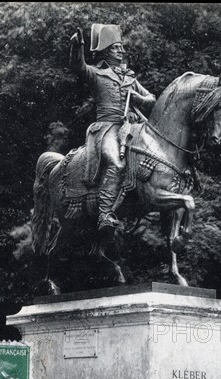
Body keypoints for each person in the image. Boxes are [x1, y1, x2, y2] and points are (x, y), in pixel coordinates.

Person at [69, 24, 156, 235]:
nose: (122, 51)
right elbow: (77, 66)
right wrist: (77, 46)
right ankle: (104, 214)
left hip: (130, 126)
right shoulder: (96, 73)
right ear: (107, 50)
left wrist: (139, 98)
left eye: (121, 47)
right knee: (117, 164)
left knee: (154, 155)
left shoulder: (130, 78)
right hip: (107, 128)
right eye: (117, 47)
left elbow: (152, 99)